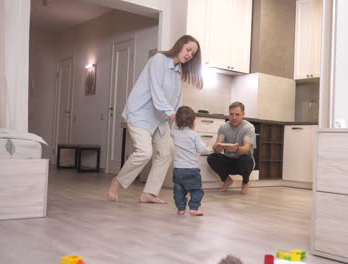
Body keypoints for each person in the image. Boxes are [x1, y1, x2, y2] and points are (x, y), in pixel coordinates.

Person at [108, 35, 203, 203]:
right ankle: (117, 182)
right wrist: (171, 113)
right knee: (145, 152)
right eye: (188, 49)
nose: (189, 55)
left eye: (193, 54)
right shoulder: (159, 59)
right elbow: (156, 91)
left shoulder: (178, 71)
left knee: (167, 151)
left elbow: (176, 99)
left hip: (160, 118)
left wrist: (178, 120)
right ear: (180, 45)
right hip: (141, 113)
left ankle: (149, 193)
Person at [207, 102, 256, 194]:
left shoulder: (249, 127)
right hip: (229, 160)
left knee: (247, 159)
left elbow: (246, 148)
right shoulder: (223, 127)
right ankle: (227, 180)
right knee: (212, 157)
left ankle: (245, 182)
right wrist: (217, 148)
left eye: (237, 114)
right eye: (231, 114)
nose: (234, 118)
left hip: (243, 162)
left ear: (243, 114)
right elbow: (216, 145)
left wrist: (236, 149)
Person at [171, 106, 211, 216]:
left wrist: (175, 121)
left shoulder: (175, 133)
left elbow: (173, 127)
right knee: (196, 190)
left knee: (178, 190)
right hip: (191, 170)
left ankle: (181, 209)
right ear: (193, 122)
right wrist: (210, 149)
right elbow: (202, 149)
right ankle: (193, 208)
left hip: (177, 170)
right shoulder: (194, 135)